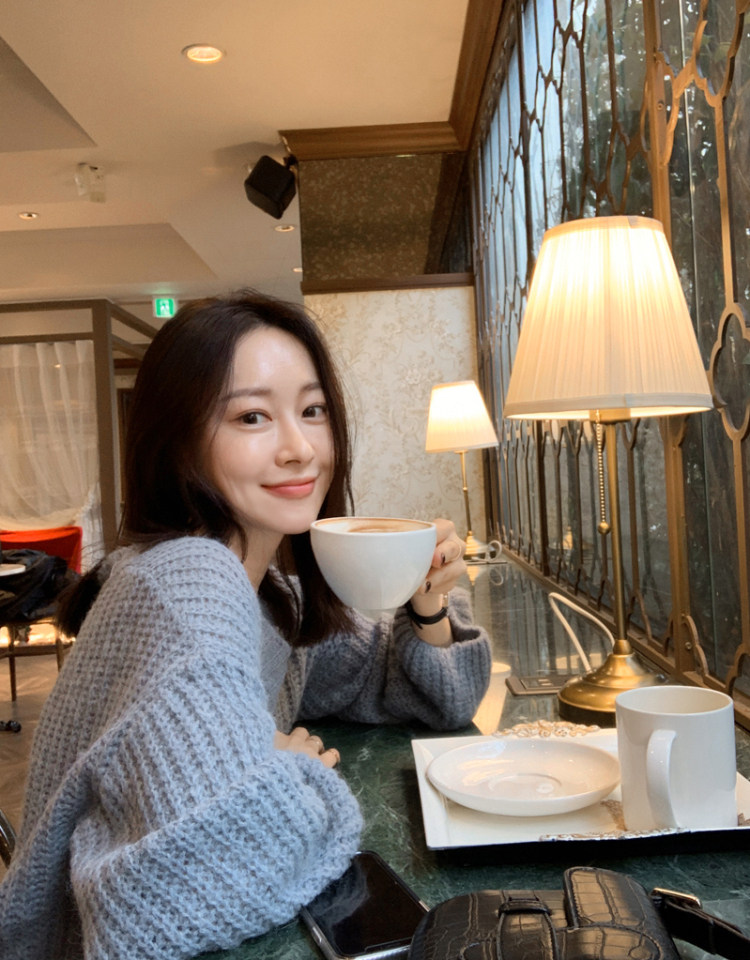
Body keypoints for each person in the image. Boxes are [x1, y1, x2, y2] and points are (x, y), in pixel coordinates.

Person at [0, 291, 492, 960]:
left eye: (313, 411)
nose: (300, 449)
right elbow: (192, 886)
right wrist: (284, 770)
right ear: (180, 442)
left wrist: (425, 603)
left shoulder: (270, 593)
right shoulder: (189, 583)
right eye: (252, 417)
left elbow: (413, 692)